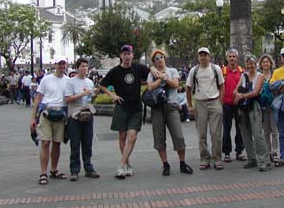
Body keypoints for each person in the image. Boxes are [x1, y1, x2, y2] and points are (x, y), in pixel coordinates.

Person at [99, 44, 161, 179]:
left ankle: (121, 165)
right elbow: (102, 84)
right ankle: (127, 164)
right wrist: (113, 96)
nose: (127, 56)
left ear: (133, 55)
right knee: (122, 137)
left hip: (136, 108)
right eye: (124, 54)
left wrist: (151, 67)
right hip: (121, 107)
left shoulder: (138, 68)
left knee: (132, 137)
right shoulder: (115, 71)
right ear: (121, 56)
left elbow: (151, 72)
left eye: (129, 53)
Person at [147, 49, 193, 176]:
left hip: (171, 106)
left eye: (161, 57)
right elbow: (150, 87)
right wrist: (159, 79)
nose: (160, 59)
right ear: (154, 61)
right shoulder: (152, 73)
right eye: (156, 58)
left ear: (164, 58)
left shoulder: (172, 71)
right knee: (159, 137)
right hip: (157, 108)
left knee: (178, 136)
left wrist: (164, 77)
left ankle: (182, 163)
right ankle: (165, 164)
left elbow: (175, 84)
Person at [30, 56, 69, 185]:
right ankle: (43, 172)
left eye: (63, 64)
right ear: (54, 65)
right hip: (46, 112)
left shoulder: (68, 81)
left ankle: (54, 169)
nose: (61, 67)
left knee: (57, 143)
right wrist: (33, 118)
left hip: (61, 113)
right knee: (45, 143)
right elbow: (38, 98)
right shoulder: (46, 80)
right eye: (59, 64)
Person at [186, 47, 225, 170]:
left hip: (214, 102)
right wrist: (190, 105)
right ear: (198, 57)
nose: (203, 57)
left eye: (205, 55)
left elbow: (222, 86)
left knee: (216, 133)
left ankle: (217, 159)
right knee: (201, 134)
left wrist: (221, 102)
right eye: (201, 55)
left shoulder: (215, 69)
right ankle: (204, 158)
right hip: (200, 103)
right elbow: (188, 88)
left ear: (209, 56)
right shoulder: (194, 70)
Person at [233, 54, 271, 171]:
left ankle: (264, 160)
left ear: (256, 65)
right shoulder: (243, 76)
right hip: (243, 107)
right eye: (248, 64)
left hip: (254, 106)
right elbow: (235, 89)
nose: (250, 66)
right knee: (245, 133)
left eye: (252, 64)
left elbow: (256, 92)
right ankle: (251, 158)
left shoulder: (260, 76)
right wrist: (237, 95)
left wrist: (242, 96)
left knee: (257, 133)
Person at [65, 58, 100, 181]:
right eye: (82, 66)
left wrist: (93, 94)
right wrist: (83, 94)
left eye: (86, 66)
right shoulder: (71, 82)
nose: (85, 68)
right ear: (77, 67)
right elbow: (68, 99)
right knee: (75, 143)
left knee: (87, 142)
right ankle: (74, 170)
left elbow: (90, 98)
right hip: (74, 115)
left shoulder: (89, 82)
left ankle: (88, 167)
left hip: (87, 113)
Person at [222, 48, 245, 163]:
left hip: (239, 103)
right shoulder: (222, 71)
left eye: (234, 56)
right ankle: (226, 152)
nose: (232, 58)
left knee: (239, 128)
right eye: (230, 56)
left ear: (237, 58)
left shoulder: (242, 72)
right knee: (226, 128)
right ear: (227, 58)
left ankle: (239, 151)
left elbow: (245, 87)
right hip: (226, 104)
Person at [259, 54, 279, 163]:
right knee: (265, 130)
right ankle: (267, 152)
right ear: (261, 64)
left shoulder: (275, 75)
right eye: (263, 62)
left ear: (270, 64)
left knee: (274, 130)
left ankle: (275, 152)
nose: (265, 64)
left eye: (267, 62)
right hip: (263, 106)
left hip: (274, 105)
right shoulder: (259, 76)